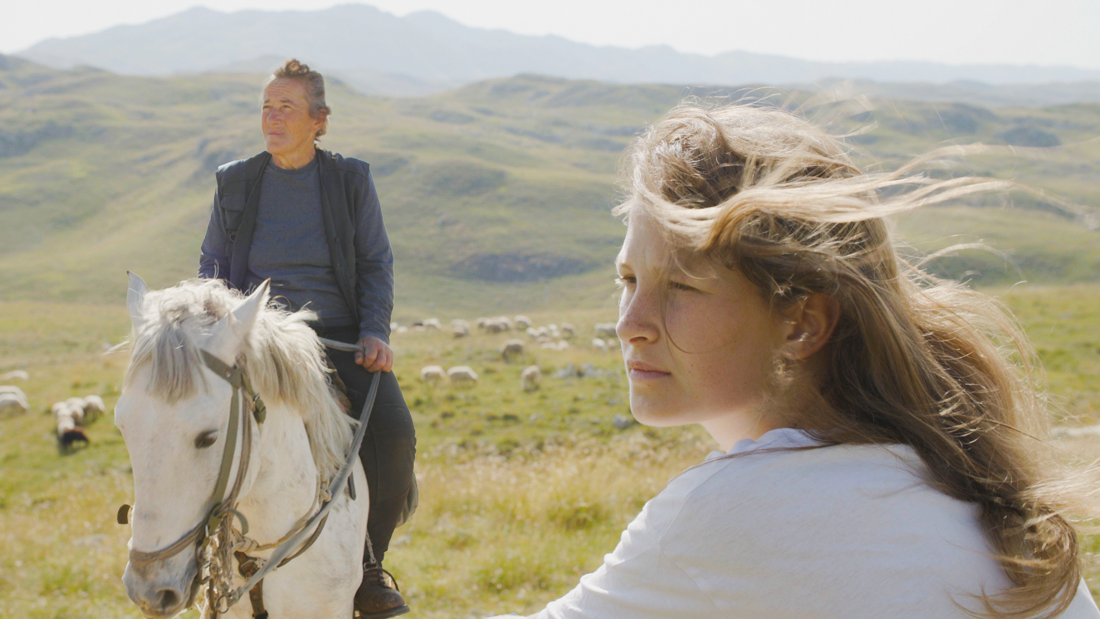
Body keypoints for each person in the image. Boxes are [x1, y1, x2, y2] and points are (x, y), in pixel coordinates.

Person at [494, 104, 1100, 619]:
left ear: (803, 322)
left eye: (680, 286)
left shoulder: (737, 512)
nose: (630, 324)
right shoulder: (960, 482)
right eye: (628, 279)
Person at [199, 59, 415, 619]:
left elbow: (376, 262)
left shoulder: (350, 181)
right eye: (266, 107)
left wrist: (374, 331)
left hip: (337, 336)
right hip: (260, 334)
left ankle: (369, 565)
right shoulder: (235, 181)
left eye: (286, 107)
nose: (272, 117)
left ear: (319, 120)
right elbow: (213, 264)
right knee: (188, 424)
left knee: (394, 435)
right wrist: (220, 328)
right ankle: (192, 555)